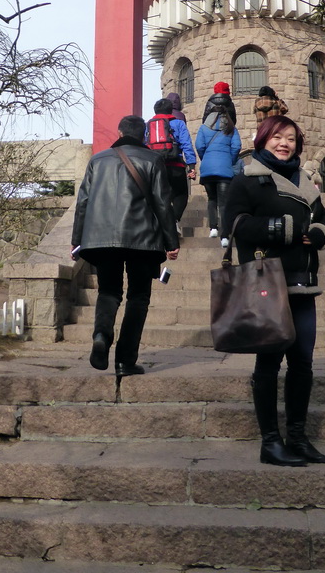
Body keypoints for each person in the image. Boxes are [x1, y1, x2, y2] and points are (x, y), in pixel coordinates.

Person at [223, 115, 325, 467]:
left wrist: (318, 233)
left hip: (303, 283)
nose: (284, 143)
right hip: (266, 283)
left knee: (303, 363)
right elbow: (234, 224)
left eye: (290, 138)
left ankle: (298, 438)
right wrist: (283, 229)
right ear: (263, 139)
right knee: (269, 362)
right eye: (277, 137)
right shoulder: (246, 179)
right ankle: (270, 442)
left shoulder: (305, 181)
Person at [71, 115, 179, 376]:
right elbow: (163, 204)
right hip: (142, 239)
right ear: (144, 136)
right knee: (138, 297)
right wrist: (171, 242)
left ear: (119, 132)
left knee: (108, 292)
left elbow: (83, 202)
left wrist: (77, 241)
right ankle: (125, 361)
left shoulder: (97, 160)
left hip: (101, 238)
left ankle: (101, 335)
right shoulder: (153, 160)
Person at [145, 98, 196, 235]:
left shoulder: (148, 124)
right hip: (176, 166)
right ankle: (174, 220)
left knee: (160, 195)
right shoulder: (178, 123)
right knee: (181, 194)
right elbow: (186, 145)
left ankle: (160, 224)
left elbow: (144, 146)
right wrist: (191, 165)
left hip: (155, 167)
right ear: (171, 110)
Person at [195, 103, 241, 246]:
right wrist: (230, 160)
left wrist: (206, 158)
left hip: (208, 169)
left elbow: (199, 146)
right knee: (224, 202)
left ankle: (213, 228)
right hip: (224, 170)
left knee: (211, 199)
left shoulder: (203, 128)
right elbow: (236, 146)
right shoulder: (231, 128)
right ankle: (225, 236)